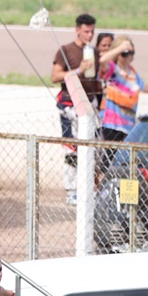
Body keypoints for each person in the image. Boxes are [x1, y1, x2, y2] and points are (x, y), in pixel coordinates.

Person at [51, 13, 101, 205]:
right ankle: (72, 190)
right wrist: (78, 70)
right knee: (71, 148)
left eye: (92, 32)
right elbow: (55, 76)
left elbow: (95, 79)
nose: (89, 35)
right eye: (86, 31)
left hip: (90, 106)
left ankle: (88, 188)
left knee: (92, 148)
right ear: (77, 30)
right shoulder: (65, 51)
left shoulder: (93, 51)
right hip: (70, 105)